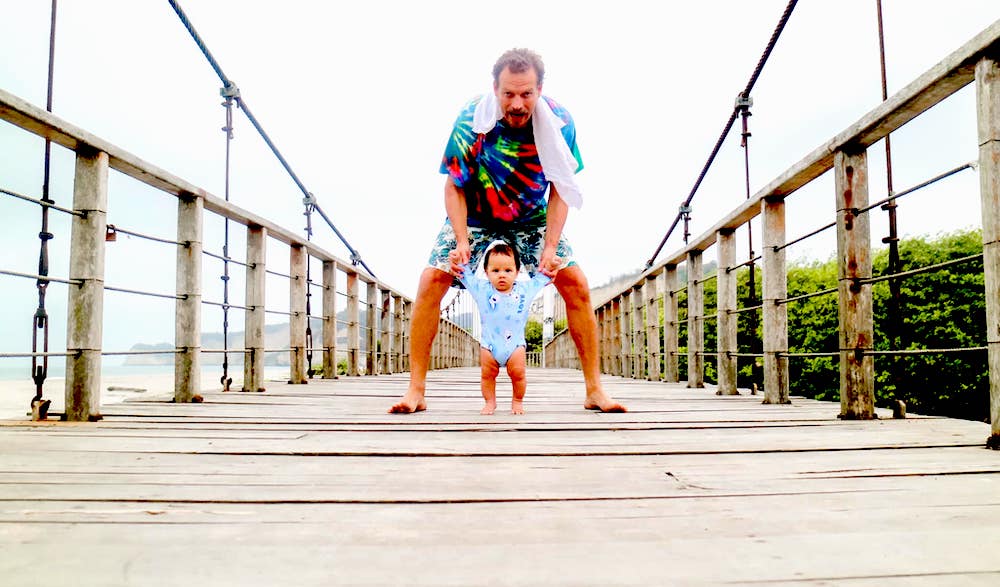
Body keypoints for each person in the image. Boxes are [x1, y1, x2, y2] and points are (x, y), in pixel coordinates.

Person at [389, 47, 626, 414]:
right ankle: (415, 390)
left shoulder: (560, 121)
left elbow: (561, 185)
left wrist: (550, 246)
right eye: (509, 94)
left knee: (575, 284)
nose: (517, 103)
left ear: (540, 89)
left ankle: (595, 390)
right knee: (431, 280)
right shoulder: (471, 119)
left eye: (527, 94)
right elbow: (453, 185)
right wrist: (463, 241)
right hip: (476, 215)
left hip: (531, 217)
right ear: (495, 89)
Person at [453, 241, 550, 415]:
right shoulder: (481, 289)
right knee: (487, 375)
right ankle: (490, 402)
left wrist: (552, 266)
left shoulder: (525, 289)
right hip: (489, 344)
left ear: (517, 272)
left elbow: (543, 277)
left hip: (515, 345)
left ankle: (517, 401)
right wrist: (458, 261)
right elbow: (465, 275)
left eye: (508, 270)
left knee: (518, 374)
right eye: (495, 271)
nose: (502, 275)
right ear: (487, 272)